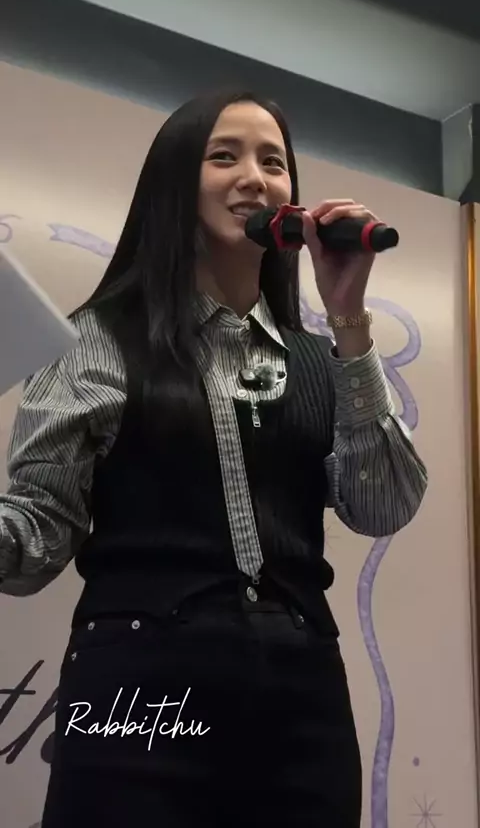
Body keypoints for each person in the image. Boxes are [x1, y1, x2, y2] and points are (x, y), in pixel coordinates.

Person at [0, 89, 427, 828]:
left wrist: (349, 317)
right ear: (174, 182)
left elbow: (384, 504)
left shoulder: (322, 358)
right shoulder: (99, 339)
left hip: (301, 703)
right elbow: (33, 542)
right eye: (224, 156)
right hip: (138, 693)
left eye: (274, 163)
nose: (254, 178)